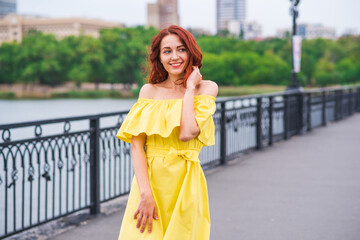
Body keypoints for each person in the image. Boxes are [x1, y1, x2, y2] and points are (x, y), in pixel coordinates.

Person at [116, 25, 218, 240]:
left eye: (181, 49)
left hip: (186, 181)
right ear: (159, 57)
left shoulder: (206, 88)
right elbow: (136, 146)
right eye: (167, 51)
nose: (175, 57)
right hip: (151, 183)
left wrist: (190, 89)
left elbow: (187, 133)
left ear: (191, 52)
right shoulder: (149, 91)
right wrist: (145, 193)